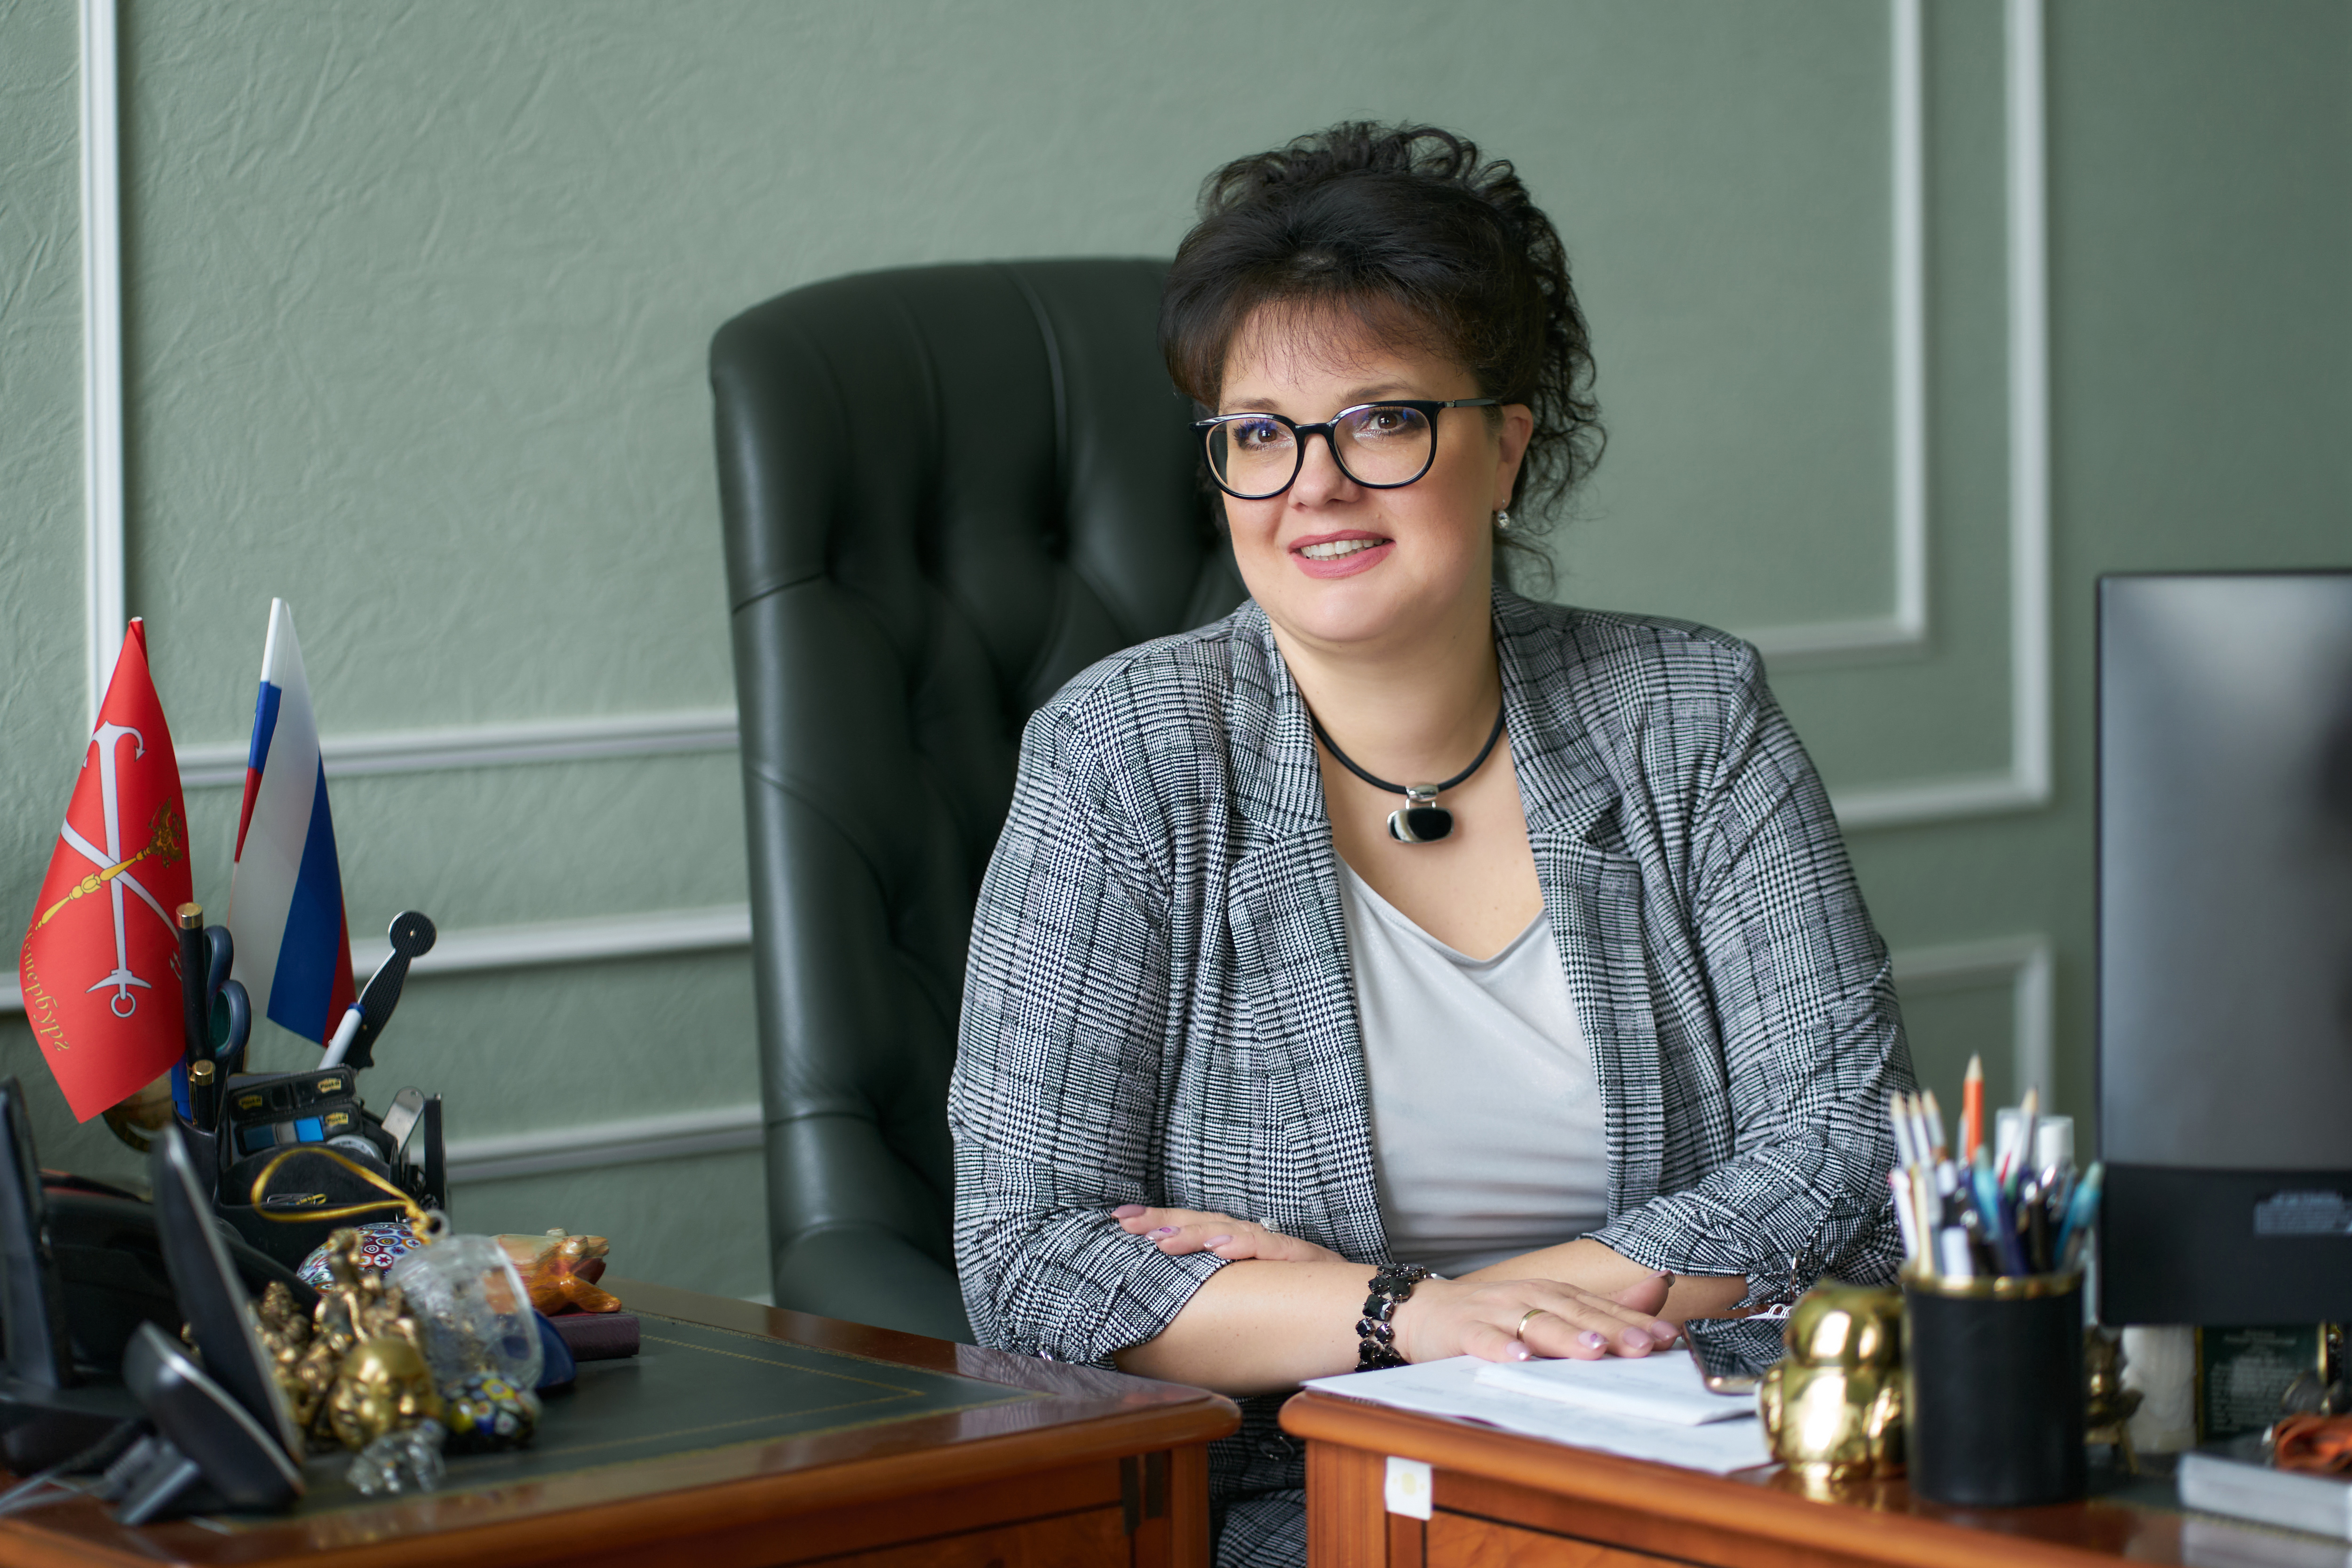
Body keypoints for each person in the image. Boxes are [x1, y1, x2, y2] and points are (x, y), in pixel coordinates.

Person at [950, 122, 1911, 1567]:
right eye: (1258, 434)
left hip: (1690, 1462)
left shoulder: (1688, 716)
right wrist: (1404, 1320)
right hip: (1307, 1504)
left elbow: (1850, 1148)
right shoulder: (1124, 757)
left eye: (1383, 420)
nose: (1314, 486)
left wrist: (1455, 1314)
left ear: (1507, 445)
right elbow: (1027, 1259)